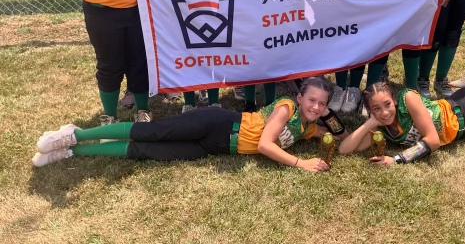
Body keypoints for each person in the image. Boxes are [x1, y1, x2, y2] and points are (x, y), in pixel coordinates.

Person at [33, 77, 340, 173]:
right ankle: (75, 134)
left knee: (147, 152)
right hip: (218, 124)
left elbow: (342, 137)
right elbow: (264, 144)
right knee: (149, 132)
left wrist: (335, 126)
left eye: (322, 104)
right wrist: (301, 162)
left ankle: (72, 153)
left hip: (213, 147)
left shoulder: (308, 127)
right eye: (312, 100)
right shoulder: (286, 108)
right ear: (299, 97)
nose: (316, 107)